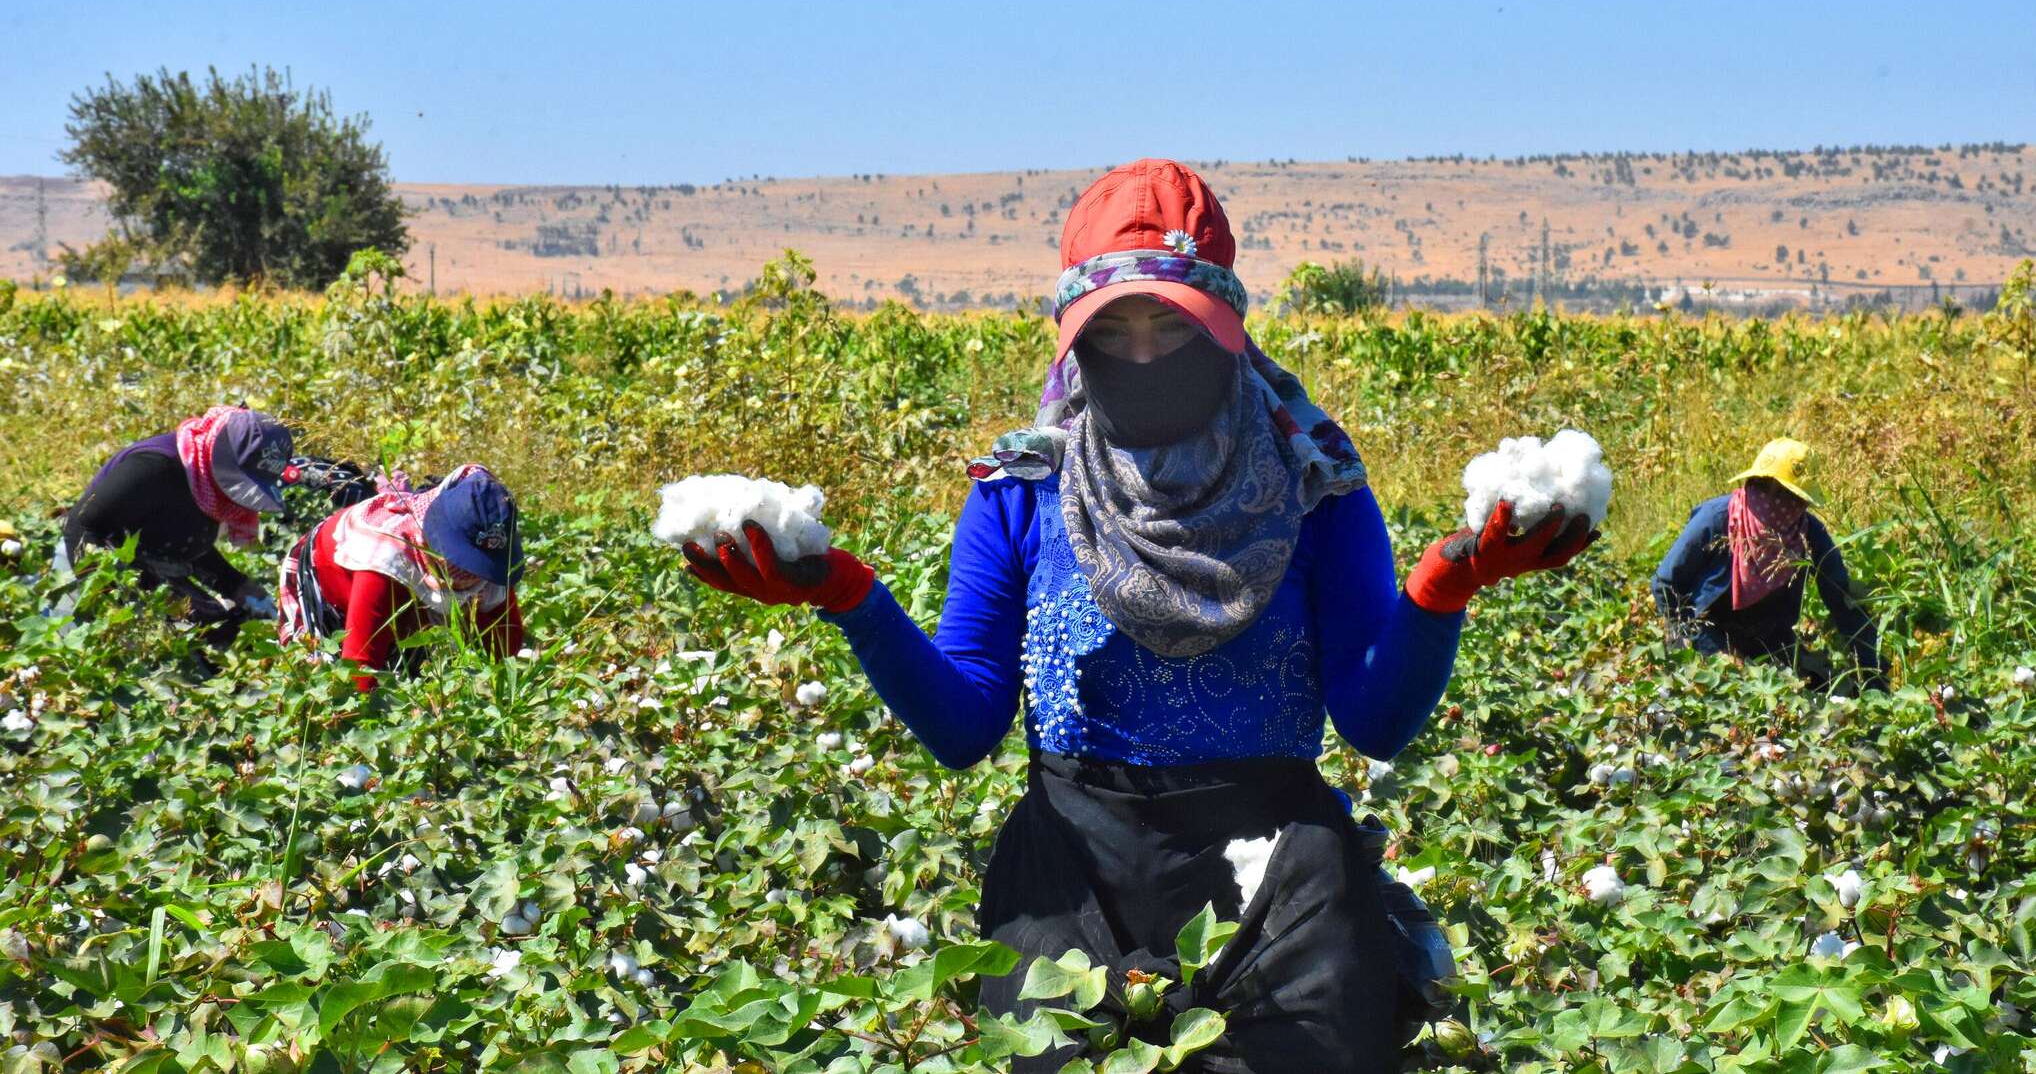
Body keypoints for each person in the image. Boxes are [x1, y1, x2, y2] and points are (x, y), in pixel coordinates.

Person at [680, 159, 1595, 1072]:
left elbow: (1374, 718)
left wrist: (1444, 588)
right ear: (1075, 337)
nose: (1147, 353)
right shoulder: (1020, 491)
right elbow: (965, 726)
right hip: (1071, 878)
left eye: (1173, 324)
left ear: (1227, 325)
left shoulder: (1316, 483)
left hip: (1280, 878)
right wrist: (850, 598)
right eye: (1115, 331)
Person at [1652, 437, 1885, 690]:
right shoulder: (1716, 520)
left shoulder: (1808, 533)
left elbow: (1842, 601)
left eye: (1789, 497)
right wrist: (1709, 648)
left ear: (1802, 502)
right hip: (1705, 636)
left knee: (1817, 689)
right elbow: (1666, 583)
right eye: (1764, 488)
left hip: (1770, 641)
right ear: (1753, 483)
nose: (1775, 503)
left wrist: (1873, 674)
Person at [277, 464, 526, 693]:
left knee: (414, 664)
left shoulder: (491, 553)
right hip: (324, 583)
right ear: (435, 539)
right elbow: (359, 669)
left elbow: (506, 646)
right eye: (462, 563)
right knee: (324, 683)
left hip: (404, 590)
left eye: (479, 567)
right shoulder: (385, 559)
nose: (470, 576)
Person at [61, 405, 295, 637]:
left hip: (148, 569)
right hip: (82, 572)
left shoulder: (209, 488)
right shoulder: (156, 466)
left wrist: (235, 584)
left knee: (219, 631)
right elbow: (81, 527)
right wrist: (114, 604)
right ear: (223, 456)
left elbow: (178, 536)